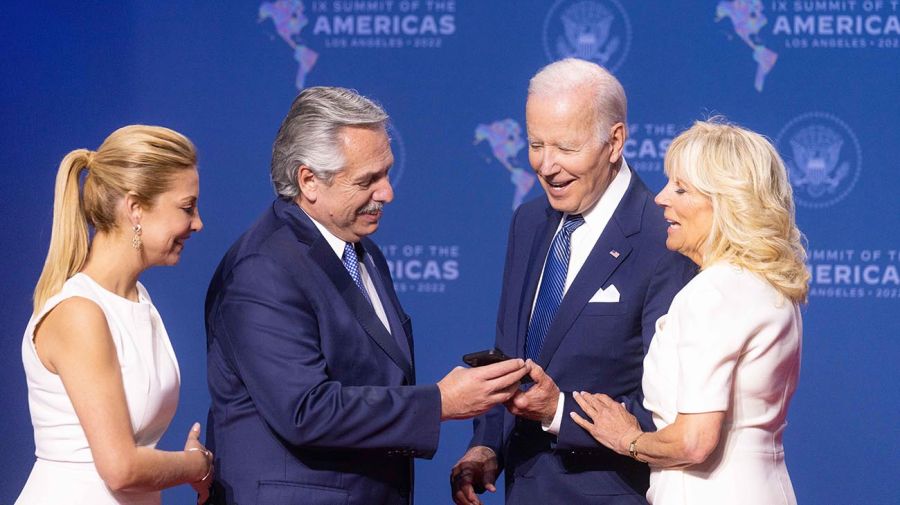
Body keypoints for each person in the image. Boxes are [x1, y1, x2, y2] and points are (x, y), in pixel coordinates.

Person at [205, 86, 529, 505]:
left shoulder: (362, 251)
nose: (387, 193)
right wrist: (439, 403)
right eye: (367, 180)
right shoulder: (262, 268)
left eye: (386, 173)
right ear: (308, 181)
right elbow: (306, 410)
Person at [451, 58, 696, 505]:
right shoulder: (529, 220)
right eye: (535, 144)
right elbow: (510, 357)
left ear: (614, 141)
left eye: (566, 148)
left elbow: (677, 410)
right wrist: (486, 444)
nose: (546, 166)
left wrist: (559, 411)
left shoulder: (666, 238)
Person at [569, 119, 808, 504]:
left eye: (681, 188)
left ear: (726, 203)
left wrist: (627, 439)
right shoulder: (769, 286)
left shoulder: (712, 293)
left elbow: (694, 442)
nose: (661, 198)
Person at [17, 125, 213, 505]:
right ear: (135, 208)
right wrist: (195, 465)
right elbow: (121, 469)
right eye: (187, 207)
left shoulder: (137, 298)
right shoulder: (79, 314)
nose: (198, 223)